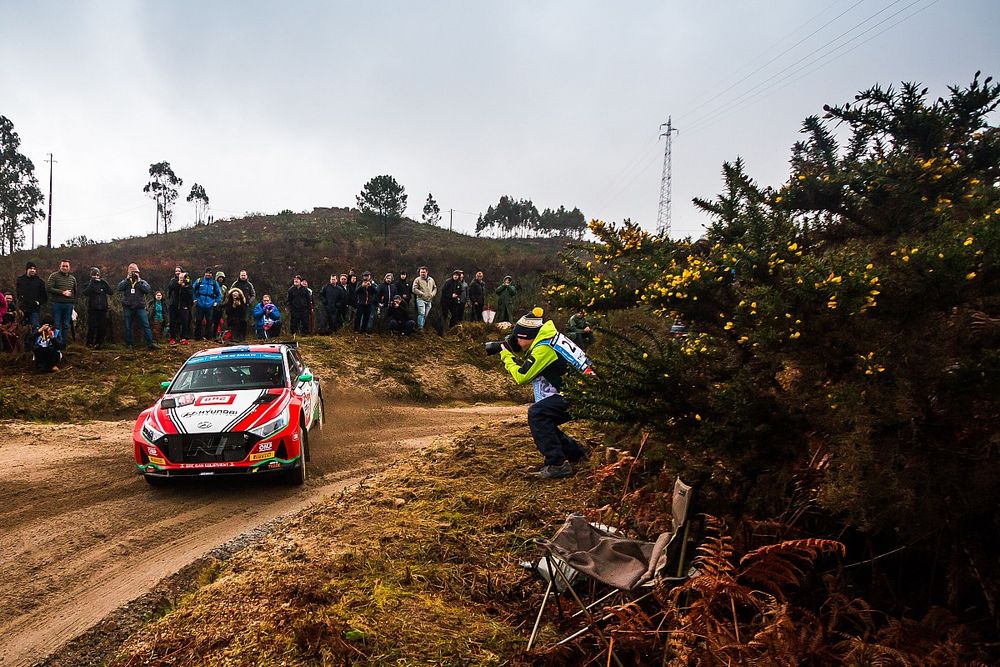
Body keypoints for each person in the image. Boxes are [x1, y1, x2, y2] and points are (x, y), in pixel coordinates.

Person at [497, 308, 587, 479]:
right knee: (545, 415)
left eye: (517, 338)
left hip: (581, 393)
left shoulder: (544, 348)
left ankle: (557, 464)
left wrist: (507, 358)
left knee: (537, 413)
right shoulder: (551, 337)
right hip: (585, 389)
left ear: (525, 336)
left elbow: (521, 376)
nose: (515, 341)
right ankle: (575, 454)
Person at [116, 263, 158, 350]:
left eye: (136, 272)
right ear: (129, 272)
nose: (135, 274)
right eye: (133, 272)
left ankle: (150, 343)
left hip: (140, 307)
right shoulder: (126, 282)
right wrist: (127, 279)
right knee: (128, 326)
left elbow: (147, 290)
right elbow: (119, 288)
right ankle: (129, 344)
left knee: (146, 325)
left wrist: (139, 281)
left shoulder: (142, 282)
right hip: (128, 307)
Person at [46, 259, 77, 346]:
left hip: (69, 305)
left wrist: (74, 305)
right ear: (60, 266)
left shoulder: (72, 278)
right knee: (57, 325)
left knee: (66, 325)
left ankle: (63, 344)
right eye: (63, 266)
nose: (65, 268)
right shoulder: (54, 276)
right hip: (57, 304)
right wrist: (62, 292)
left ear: (69, 267)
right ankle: (56, 344)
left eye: (67, 266)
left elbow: (75, 291)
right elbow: (49, 288)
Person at [82, 267, 112, 348]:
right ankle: (89, 343)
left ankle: (99, 343)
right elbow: (85, 293)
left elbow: (111, 292)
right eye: (94, 274)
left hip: (102, 308)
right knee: (91, 326)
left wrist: (104, 282)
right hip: (92, 309)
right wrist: (92, 282)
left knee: (102, 327)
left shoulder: (103, 283)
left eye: (97, 274)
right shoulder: (88, 284)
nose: (96, 276)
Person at [16, 261, 47, 330]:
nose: (32, 270)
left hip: (34, 309)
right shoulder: (20, 280)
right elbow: (17, 294)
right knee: (21, 328)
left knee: (35, 327)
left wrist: (37, 302)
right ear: (27, 269)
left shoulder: (40, 282)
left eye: (34, 269)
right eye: (31, 268)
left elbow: (44, 297)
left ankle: (36, 340)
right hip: (22, 309)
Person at [192, 268, 222, 340]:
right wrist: (194, 299)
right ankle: (197, 337)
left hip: (210, 304)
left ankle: (208, 337)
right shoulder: (199, 281)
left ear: (212, 274)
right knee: (198, 320)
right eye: (207, 273)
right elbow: (192, 290)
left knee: (210, 321)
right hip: (200, 303)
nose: (208, 274)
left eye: (210, 273)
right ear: (204, 273)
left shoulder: (214, 283)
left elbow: (219, 294)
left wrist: (216, 302)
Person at [412, 266, 437, 331]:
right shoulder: (417, 280)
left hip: (429, 300)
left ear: (427, 272)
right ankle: (420, 327)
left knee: (426, 314)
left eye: (424, 272)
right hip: (421, 299)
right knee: (421, 313)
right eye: (421, 272)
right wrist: (421, 293)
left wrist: (433, 294)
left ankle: (422, 326)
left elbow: (435, 288)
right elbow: (414, 289)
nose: (422, 273)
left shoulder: (431, 279)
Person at [174, 272, 193, 344]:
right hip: (176, 305)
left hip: (185, 305)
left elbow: (190, 294)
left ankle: (184, 337)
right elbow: (173, 292)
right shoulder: (175, 283)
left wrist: (184, 287)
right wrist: (179, 285)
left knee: (185, 322)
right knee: (176, 322)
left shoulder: (188, 284)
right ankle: (175, 336)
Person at [166, 265, 182, 341]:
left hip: (182, 303)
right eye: (176, 271)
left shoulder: (186, 280)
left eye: (179, 271)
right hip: (173, 303)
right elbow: (170, 290)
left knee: (181, 321)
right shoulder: (172, 280)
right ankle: (172, 337)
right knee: (172, 321)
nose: (177, 272)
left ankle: (180, 337)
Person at [211, 271, 228, 339]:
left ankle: (217, 335)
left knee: (218, 322)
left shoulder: (224, 288)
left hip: (221, 307)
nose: (220, 279)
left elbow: (226, 297)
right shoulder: (213, 286)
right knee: (211, 321)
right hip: (213, 306)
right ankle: (210, 335)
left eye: (222, 278)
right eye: (219, 277)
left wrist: (222, 304)